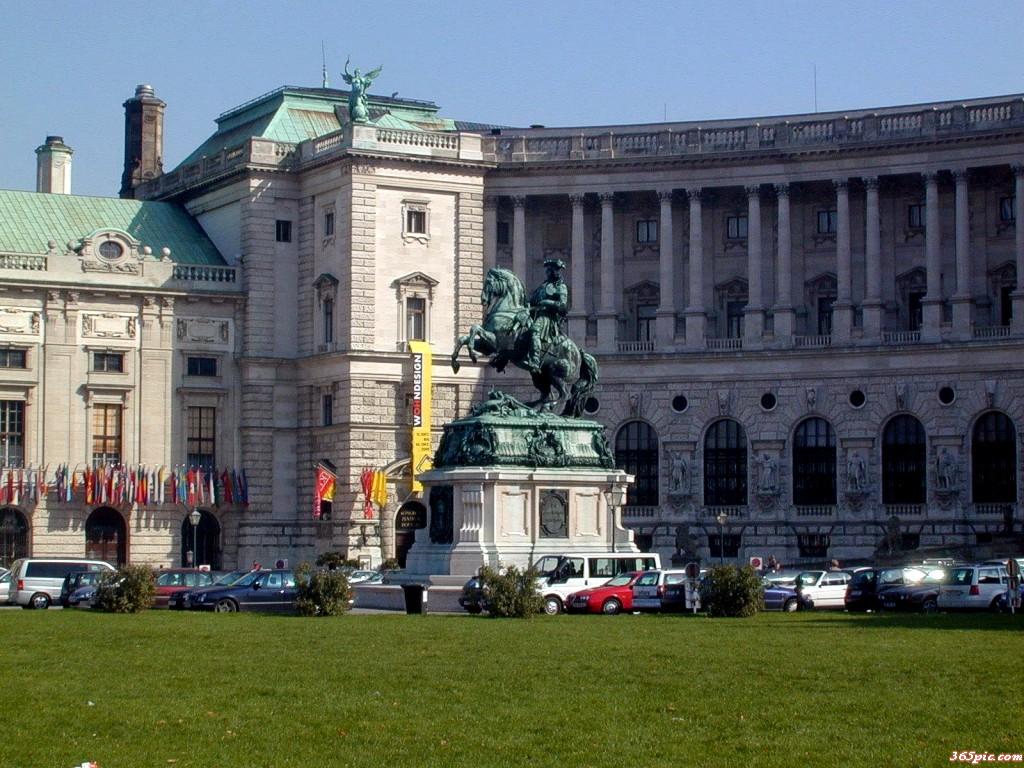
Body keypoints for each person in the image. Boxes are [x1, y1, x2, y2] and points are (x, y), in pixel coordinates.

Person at [523, 258, 569, 375]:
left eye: (550, 270)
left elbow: (563, 306)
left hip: (548, 318)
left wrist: (547, 302)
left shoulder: (561, 287)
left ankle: (535, 360)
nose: (548, 273)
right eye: (547, 270)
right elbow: (533, 301)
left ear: (556, 272)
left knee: (534, 330)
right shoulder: (543, 286)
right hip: (535, 314)